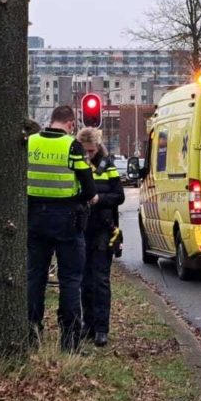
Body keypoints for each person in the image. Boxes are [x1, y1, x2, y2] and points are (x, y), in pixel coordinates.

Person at [26, 105, 96, 352]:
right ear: (70, 123)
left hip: (34, 219)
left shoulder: (30, 143)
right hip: (67, 221)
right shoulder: (72, 146)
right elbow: (89, 190)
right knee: (70, 281)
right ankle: (69, 342)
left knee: (35, 279)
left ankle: (32, 337)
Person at [77, 128, 125, 347]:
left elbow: (119, 196)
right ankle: (88, 325)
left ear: (97, 147)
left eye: (91, 150)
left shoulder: (108, 166)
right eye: (84, 150)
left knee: (101, 281)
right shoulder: (77, 164)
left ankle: (102, 329)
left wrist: (99, 199)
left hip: (103, 230)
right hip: (81, 229)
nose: (88, 154)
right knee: (84, 282)